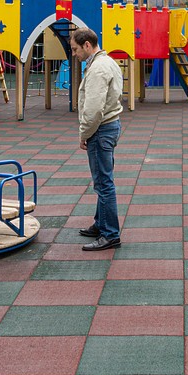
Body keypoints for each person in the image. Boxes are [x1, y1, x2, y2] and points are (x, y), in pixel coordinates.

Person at [70, 28, 123, 251]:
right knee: (103, 179)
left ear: (87, 45)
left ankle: (110, 234)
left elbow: (93, 108)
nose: (74, 54)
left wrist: (84, 133)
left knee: (103, 183)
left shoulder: (97, 69)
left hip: (101, 129)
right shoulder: (107, 62)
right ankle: (101, 223)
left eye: (75, 49)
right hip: (109, 126)